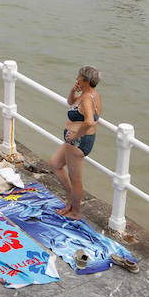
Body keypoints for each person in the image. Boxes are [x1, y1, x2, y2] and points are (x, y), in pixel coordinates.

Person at [47, 66, 102, 220]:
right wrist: (73, 90)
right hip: (75, 141)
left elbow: (90, 121)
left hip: (78, 142)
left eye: (78, 77)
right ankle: (71, 199)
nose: (76, 79)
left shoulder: (86, 98)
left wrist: (75, 134)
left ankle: (76, 212)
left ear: (85, 80)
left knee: (75, 179)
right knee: (54, 164)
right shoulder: (90, 94)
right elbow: (71, 102)